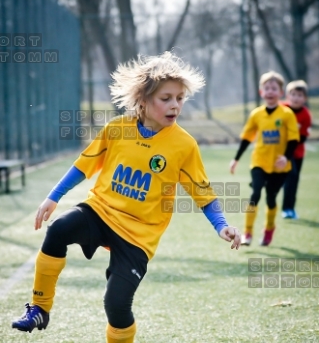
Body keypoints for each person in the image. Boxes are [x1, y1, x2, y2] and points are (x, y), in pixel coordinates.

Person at [12, 52, 241, 343]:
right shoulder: (118, 128)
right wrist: (54, 196)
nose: (175, 105)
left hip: (138, 236)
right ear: (143, 100)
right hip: (100, 210)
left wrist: (221, 225)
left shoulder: (184, 145)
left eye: (180, 98)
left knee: (116, 305)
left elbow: (202, 193)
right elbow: (84, 164)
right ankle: (40, 308)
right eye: (166, 98)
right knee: (58, 230)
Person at [230, 70, 299, 246]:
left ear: (281, 92)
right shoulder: (256, 114)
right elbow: (247, 138)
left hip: (279, 165)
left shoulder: (287, 114)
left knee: (271, 198)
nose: (270, 91)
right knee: (256, 192)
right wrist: (236, 159)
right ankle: (247, 233)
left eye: (274, 88)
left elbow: (293, 140)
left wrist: (286, 157)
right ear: (261, 92)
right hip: (259, 161)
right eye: (266, 88)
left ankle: (268, 230)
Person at [281, 80, 312, 219]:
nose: (296, 98)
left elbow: (304, 136)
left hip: (296, 153)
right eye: (293, 94)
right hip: (279, 152)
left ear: (304, 98)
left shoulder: (305, 115)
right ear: (287, 96)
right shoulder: (281, 109)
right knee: (289, 177)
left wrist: (293, 139)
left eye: (299, 95)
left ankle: (289, 208)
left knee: (293, 180)